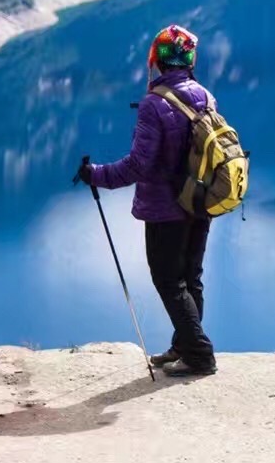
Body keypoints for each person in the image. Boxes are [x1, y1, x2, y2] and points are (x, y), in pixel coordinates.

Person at [76, 24, 217, 378]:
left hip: (166, 209)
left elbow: (138, 165)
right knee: (190, 278)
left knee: (169, 281)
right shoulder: (204, 95)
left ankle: (199, 354)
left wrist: (96, 174)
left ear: (156, 61)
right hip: (199, 203)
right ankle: (184, 345)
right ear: (190, 60)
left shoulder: (154, 105)